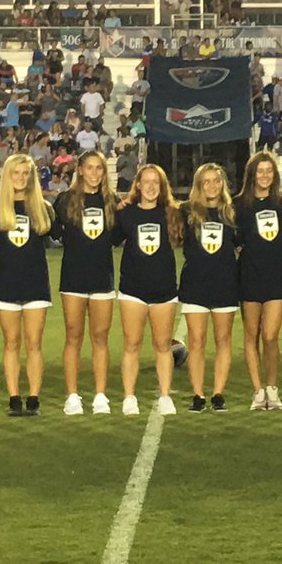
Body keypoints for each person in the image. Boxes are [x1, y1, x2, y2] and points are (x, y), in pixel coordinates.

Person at [50, 150, 117, 415]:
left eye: (99, 168)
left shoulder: (111, 200)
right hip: (73, 277)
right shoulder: (65, 200)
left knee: (100, 337)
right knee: (73, 337)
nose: (94, 173)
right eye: (89, 168)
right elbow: (54, 231)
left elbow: (116, 236)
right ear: (79, 169)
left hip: (102, 277)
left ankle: (100, 394)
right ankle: (72, 395)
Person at [0, 154, 53, 416]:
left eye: (26, 173)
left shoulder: (43, 208)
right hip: (6, 284)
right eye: (16, 173)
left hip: (36, 284)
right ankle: (14, 398)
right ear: (7, 175)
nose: (21, 178)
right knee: (11, 343)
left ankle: (33, 398)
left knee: (34, 343)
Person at [113, 163, 181, 416]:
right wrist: (117, 206)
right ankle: (129, 396)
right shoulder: (126, 214)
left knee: (163, 345)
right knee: (132, 344)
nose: (151, 187)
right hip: (133, 288)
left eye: (156, 182)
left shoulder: (172, 213)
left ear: (162, 186)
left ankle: (165, 395)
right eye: (147, 181)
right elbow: (110, 239)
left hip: (164, 289)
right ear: (138, 185)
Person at [234, 151, 282, 411]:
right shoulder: (239, 204)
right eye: (260, 171)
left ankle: (272, 387)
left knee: (270, 335)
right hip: (249, 274)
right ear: (251, 174)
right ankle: (258, 391)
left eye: (269, 171)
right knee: (251, 335)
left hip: (276, 275)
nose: (265, 176)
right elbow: (236, 241)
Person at [178, 163, 238, 412]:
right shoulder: (187, 211)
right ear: (198, 185)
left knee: (223, 339)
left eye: (216, 180)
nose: (212, 185)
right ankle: (198, 394)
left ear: (222, 183)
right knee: (196, 341)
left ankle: (218, 394)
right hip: (195, 283)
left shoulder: (233, 212)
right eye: (206, 181)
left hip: (225, 283)